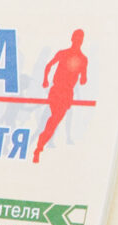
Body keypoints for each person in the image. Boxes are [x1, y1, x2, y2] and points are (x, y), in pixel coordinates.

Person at [34, 30, 89, 162]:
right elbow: (49, 66)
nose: (77, 41)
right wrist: (45, 80)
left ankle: (39, 146)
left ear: (81, 41)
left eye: (80, 39)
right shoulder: (63, 53)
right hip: (57, 91)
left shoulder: (83, 59)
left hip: (66, 94)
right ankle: (39, 146)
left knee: (53, 122)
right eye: (76, 38)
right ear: (72, 38)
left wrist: (80, 75)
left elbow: (83, 79)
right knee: (53, 121)